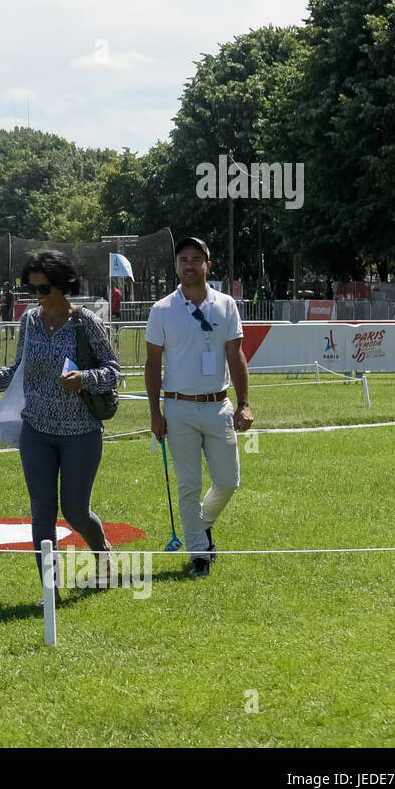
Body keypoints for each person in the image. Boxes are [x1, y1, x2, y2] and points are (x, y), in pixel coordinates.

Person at [0, 250, 119, 601]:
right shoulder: (29, 321)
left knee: (75, 510)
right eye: (31, 289)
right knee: (42, 512)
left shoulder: (85, 321)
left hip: (81, 432)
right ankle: (51, 590)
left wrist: (85, 378)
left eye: (42, 289)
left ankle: (101, 550)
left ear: (61, 286)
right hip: (37, 432)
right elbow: (18, 370)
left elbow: (113, 371)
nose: (36, 296)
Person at [145, 237, 253, 578]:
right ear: (176, 267)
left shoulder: (226, 305)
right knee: (188, 485)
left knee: (228, 481)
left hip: (218, 405)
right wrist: (155, 412)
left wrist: (244, 404)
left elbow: (236, 356)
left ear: (208, 264)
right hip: (177, 409)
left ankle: (201, 526)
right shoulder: (161, 309)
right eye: (182, 260)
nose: (189, 265)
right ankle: (199, 555)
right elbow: (152, 364)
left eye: (196, 259)